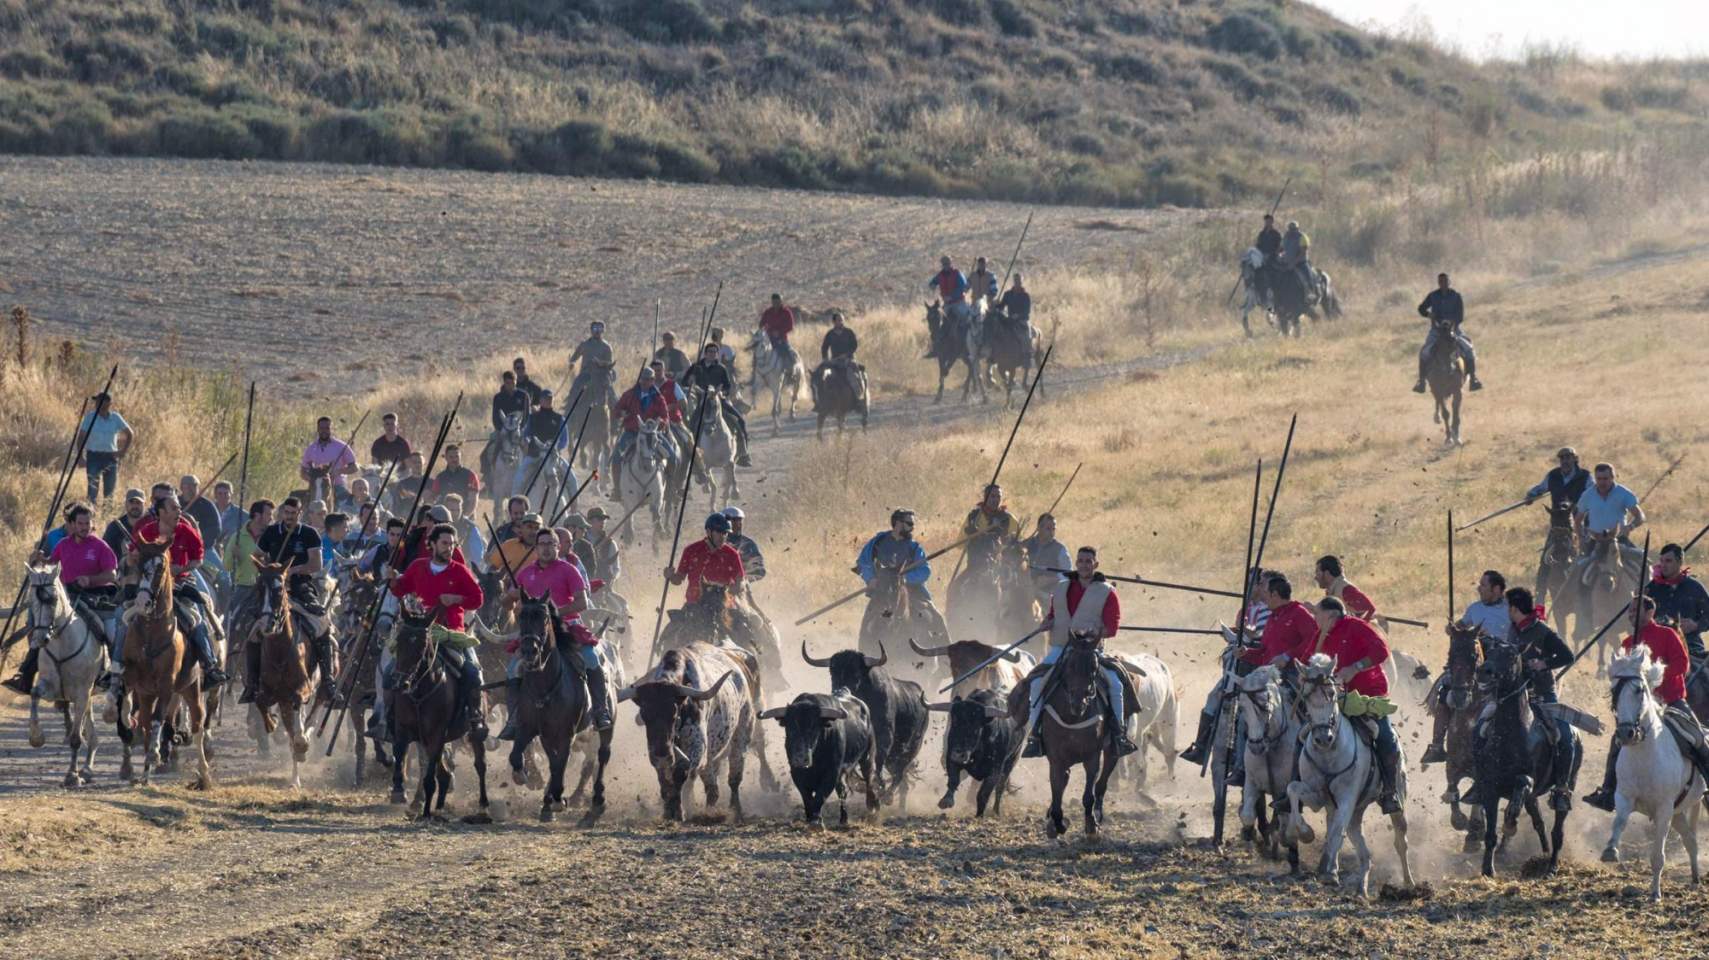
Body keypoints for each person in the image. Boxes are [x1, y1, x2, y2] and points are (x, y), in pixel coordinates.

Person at [1179, 573, 1319, 766]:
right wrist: (1245, 652)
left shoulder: (1299, 613)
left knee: (1308, 710)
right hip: (1267, 675)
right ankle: (1239, 763)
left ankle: (1310, 755)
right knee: (1247, 711)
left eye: (1266, 592)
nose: (1263, 595)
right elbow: (1263, 652)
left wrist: (1288, 657)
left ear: (1276, 594)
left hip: (1292, 674)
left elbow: (1314, 639)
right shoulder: (1274, 617)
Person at [1584, 596, 1708, 811]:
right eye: (1629, 611)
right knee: (1617, 742)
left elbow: (1682, 664)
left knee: (1698, 737)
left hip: (1671, 701)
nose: (1630, 614)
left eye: (1635, 610)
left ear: (1650, 612)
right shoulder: (1627, 643)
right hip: (1641, 708)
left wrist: (1655, 677)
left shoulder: (1667, 634)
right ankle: (1608, 791)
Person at [1020, 546, 1138, 759]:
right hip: (1059, 649)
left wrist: (1096, 632)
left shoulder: (1107, 591)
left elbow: (1112, 627)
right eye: (1081, 561)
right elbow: (1055, 615)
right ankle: (1034, 735)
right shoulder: (1061, 587)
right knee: (1037, 683)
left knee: (1115, 683)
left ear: (1096, 564)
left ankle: (1119, 733)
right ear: (1076, 563)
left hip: (1090, 650)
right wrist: (1047, 623)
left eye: (1088, 561)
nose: (1084, 565)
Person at [1461, 588, 1576, 808]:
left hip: (1542, 693)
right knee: (1480, 728)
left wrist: (1543, 663)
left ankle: (1561, 788)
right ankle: (1481, 781)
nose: (1505, 611)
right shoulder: (1511, 631)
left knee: (1564, 735)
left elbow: (1567, 655)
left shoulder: (1543, 631)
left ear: (1514, 608)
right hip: (1512, 694)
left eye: (1507, 607)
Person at [498, 527, 610, 738]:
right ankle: (514, 718)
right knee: (513, 669)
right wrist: (507, 596)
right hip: (535, 633)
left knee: (591, 658)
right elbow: (507, 604)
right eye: (542, 544)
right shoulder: (526, 573)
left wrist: (554, 613)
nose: (546, 548)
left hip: (567, 627)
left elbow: (582, 602)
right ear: (536, 548)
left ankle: (600, 710)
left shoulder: (569, 570)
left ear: (558, 547)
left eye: (551, 544)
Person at [2, 503, 119, 695]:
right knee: (41, 626)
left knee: (110, 633)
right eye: (80, 523)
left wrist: (90, 580)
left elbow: (111, 575)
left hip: (96, 597)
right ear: (72, 524)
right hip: (67, 596)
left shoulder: (100, 546)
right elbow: (51, 565)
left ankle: (113, 676)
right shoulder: (63, 545)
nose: (84, 527)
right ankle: (25, 674)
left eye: (88, 523)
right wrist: (39, 560)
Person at [389, 523, 487, 735]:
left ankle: (475, 717)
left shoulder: (460, 571)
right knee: (391, 668)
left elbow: (478, 598)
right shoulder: (417, 566)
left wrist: (457, 598)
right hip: (418, 631)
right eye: (444, 543)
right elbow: (401, 588)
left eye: (452, 544)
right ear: (431, 544)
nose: (449, 548)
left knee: (473, 672)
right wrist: (392, 580)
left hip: (452, 634)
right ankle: (386, 716)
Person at [126, 493, 228, 686]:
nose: (179, 511)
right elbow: (133, 555)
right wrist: (133, 557)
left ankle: (210, 665)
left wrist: (180, 568)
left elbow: (198, 559)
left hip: (180, 584)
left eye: (179, 508)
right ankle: (117, 668)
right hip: (150, 586)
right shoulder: (147, 531)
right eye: (174, 508)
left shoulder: (186, 530)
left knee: (196, 619)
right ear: (161, 512)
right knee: (124, 617)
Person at [1315, 598, 1403, 812]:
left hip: (1369, 694)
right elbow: (1307, 657)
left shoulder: (1356, 626)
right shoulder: (1321, 635)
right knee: (1305, 732)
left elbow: (1382, 651)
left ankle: (1390, 791)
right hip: (1334, 698)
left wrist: (1356, 667)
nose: (1315, 619)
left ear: (1332, 616)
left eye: (1318, 615)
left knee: (1384, 736)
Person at [247, 497, 336, 704]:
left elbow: (316, 564)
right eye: (286, 513)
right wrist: (269, 571)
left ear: (300, 513)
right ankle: (252, 683)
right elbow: (257, 555)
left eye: (293, 513)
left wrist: (289, 571)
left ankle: (328, 680)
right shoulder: (270, 532)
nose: (289, 517)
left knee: (322, 623)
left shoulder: (309, 534)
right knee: (251, 628)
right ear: (281, 513)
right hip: (272, 588)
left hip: (300, 586)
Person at [1422, 570, 1511, 764]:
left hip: (1499, 662)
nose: (1479, 588)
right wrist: (1453, 628)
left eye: (1483, 585)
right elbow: (1462, 626)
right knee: (1445, 692)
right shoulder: (1475, 608)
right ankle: (1437, 745)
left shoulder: (1510, 610)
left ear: (1496, 589)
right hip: (1472, 660)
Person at [855, 509, 949, 644]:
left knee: (936, 618)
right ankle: (863, 654)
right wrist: (870, 578)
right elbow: (862, 563)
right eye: (909, 523)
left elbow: (924, 571)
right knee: (867, 623)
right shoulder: (877, 542)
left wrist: (906, 579)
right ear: (898, 523)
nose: (913, 527)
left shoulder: (914, 547)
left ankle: (947, 659)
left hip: (912, 592)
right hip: (882, 591)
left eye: (913, 524)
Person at [1525, 447, 1588, 591]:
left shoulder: (1585, 477)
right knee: (1545, 562)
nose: (1565, 461)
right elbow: (1540, 489)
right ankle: (1539, 598)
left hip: (1580, 524)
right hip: (1558, 527)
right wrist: (1530, 495)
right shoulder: (1553, 476)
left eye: (1568, 457)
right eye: (1562, 458)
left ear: (1575, 459)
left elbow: (1593, 494)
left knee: (1589, 555)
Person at [680, 343, 752, 466]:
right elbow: (684, 382)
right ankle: (692, 457)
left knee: (740, 421)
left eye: (714, 352)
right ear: (705, 353)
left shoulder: (721, 368)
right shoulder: (696, 367)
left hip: (719, 402)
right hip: (702, 403)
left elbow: (728, 387)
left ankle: (743, 453)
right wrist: (690, 380)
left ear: (717, 354)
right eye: (710, 352)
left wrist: (722, 393)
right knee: (692, 425)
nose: (712, 354)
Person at [611, 367, 676, 500]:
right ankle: (617, 490)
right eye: (645, 379)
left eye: (650, 379)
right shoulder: (629, 395)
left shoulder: (659, 397)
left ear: (653, 380)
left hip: (652, 434)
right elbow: (616, 410)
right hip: (632, 432)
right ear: (640, 380)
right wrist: (622, 413)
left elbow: (665, 416)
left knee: (673, 457)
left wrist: (661, 422)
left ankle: (670, 490)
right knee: (616, 457)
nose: (647, 382)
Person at [1413, 272, 1482, 392]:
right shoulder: (1433, 296)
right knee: (1424, 352)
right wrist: (1429, 314)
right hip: (1436, 331)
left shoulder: (1456, 296)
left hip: (1454, 330)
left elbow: (1460, 316)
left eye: (1445, 281)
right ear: (1438, 283)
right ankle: (1421, 382)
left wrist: (1453, 323)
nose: (1443, 284)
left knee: (1468, 349)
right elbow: (1421, 309)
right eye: (1440, 282)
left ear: (1449, 282)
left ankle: (1473, 380)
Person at [664, 513, 746, 612]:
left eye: (725, 533)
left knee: (754, 622)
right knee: (674, 626)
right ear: (708, 531)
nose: (723, 536)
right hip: (694, 606)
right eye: (719, 532)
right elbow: (678, 580)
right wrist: (670, 576)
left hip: (725, 607)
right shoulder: (691, 550)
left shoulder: (732, 554)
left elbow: (740, 581)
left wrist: (734, 589)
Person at [1648, 543, 1709, 661]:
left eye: (1668, 561)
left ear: (1680, 562)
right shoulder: (1651, 588)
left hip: (1690, 646)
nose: (1663, 565)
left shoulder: (1695, 587)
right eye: (1661, 561)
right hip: (1656, 647)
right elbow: (1636, 617)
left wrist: (1696, 625)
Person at [225, 499, 271, 644]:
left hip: (267, 588)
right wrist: (234, 556)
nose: (272, 518)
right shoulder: (237, 537)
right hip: (244, 586)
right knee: (229, 623)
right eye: (269, 514)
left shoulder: (273, 536)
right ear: (257, 516)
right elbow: (226, 567)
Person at [1574, 461, 1644, 557]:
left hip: (1620, 541)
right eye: (1599, 479)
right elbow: (1578, 520)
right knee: (1576, 569)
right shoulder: (1587, 495)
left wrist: (1630, 527)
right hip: (1595, 543)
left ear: (1612, 477)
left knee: (1642, 562)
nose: (1602, 482)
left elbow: (1640, 516)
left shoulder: (1623, 493)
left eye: (1605, 479)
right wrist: (1581, 538)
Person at [77, 392, 134, 505]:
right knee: (92, 492)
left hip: (110, 457)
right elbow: (81, 437)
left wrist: (122, 451)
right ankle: (90, 516)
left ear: (108, 403)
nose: (97, 404)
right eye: (97, 401)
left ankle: (106, 516)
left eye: (100, 401)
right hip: (93, 456)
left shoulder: (115, 418)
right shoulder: (90, 417)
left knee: (109, 492)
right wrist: (80, 457)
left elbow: (130, 433)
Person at [811, 311, 867, 412]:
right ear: (834, 322)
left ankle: (858, 400)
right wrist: (825, 359)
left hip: (848, 359)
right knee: (821, 374)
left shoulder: (849, 332)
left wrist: (847, 355)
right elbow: (824, 347)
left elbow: (854, 345)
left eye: (842, 320)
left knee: (852, 376)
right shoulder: (830, 334)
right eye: (838, 320)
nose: (841, 322)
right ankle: (820, 402)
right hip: (835, 361)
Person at [958, 483, 1015, 580]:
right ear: (985, 497)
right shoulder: (974, 517)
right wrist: (970, 536)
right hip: (975, 567)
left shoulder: (1008, 518)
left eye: (998, 497)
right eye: (992, 496)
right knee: (956, 589)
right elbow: (961, 543)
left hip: (1000, 567)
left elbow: (1017, 543)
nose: (996, 500)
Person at [301, 416, 358, 498]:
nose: (324, 431)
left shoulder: (342, 446)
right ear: (317, 429)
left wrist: (338, 471)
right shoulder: (311, 449)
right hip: (316, 488)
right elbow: (303, 472)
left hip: (338, 487)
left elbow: (354, 467)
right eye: (321, 428)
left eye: (327, 428)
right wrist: (315, 480)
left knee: (345, 507)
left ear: (331, 429)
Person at [1018, 512, 1072, 601]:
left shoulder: (1060, 549)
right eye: (1048, 529)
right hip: (1023, 591)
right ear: (1039, 528)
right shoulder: (1025, 545)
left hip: (1047, 595)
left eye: (1053, 529)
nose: (1052, 532)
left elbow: (1068, 574)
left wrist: (1051, 579)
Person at [924, 256, 968, 359]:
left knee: (966, 319)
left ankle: (968, 345)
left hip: (959, 302)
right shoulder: (940, 275)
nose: (946, 266)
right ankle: (935, 348)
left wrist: (952, 296)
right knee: (937, 322)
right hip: (947, 304)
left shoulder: (957, 274)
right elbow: (933, 282)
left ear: (951, 263)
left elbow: (963, 286)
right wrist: (932, 285)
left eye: (947, 264)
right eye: (944, 264)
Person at [569, 321, 620, 410]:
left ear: (603, 330)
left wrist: (601, 363)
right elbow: (573, 358)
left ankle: (617, 412)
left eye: (600, 329)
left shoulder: (606, 347)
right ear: (591, 330)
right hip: (586, 373)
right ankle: (569, 411)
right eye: (595, 328)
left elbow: (609, 364)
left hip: (602, 374)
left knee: (610, 391)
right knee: (575, 388)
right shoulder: (584, 345)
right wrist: (571, 363)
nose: (597, 331)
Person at [1313, 555, 1376, 621]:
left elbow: (1370, 609)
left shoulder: (1346, 589)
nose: (1315, 577)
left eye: (1318, 573)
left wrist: (1358, 627)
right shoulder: (1333, 590)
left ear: (1327, 573)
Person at [723, 506, 765, 586]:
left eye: (740, 521)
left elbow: (759, 570)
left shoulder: (748, 544)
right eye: (734, 521)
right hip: (715, 589)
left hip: (740, 588)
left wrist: (742, 580)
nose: (738, 524)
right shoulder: (715, 542)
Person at [103, 488, 147, 560]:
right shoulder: (114, 527)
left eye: (138, 503)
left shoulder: (151, 524)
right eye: (131, 502)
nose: (135, 506)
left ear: (145, 504)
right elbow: (105, 552)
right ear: (126, 504)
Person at [442, 493, 484, 567]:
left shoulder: (470, 527)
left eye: (458, 510)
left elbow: (477, 556)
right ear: (445, 510)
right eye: (452, 510)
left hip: (463, 567)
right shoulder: (438, 525)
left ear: (462, 509)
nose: (455, 513)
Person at [758, 293, 798, 366]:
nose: (776, 304)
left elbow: (790, 326)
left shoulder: (786, 312)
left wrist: (779, 332)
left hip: (781, 339)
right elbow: (761, 324)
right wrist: (765, 330)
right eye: (774, 302)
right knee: (758, 354)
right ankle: (755, 374)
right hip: (768, 339)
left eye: (777, 302)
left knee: (788, 355)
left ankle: (789, 370)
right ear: (772, 302)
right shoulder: (768, 312)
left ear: (781, 302)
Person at [1278, 220, 1314, 300]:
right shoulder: (1285, 237)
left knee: (1308, 276)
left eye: (1294, 229)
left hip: (1300, 263)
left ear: (1297, 229)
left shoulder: (1302, 237)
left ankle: (1311, 293)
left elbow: (1302, 253)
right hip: (1286, 263)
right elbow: (1281, 249)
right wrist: (1279, 256)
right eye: (1290, 229)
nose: (1292, 231)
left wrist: (1293, 263)